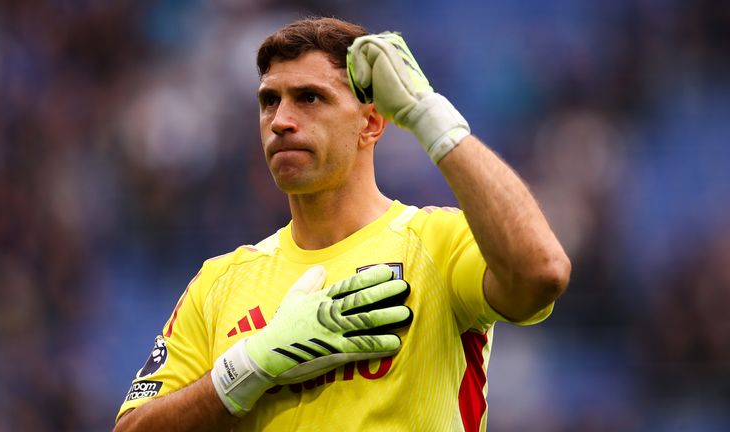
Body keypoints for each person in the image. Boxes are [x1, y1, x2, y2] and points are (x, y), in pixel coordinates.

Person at [114, 16, 570, 432]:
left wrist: (429, 115)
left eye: (309, 98)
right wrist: (252, 365)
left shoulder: (437, 242)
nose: (280, 121)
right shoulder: (218, 284)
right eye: (269, 101)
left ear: (370, 123)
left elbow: (543, 273)